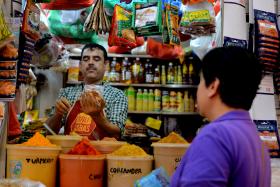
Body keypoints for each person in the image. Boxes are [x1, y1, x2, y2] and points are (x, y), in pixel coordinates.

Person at [171, 47, 271, 187]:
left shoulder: (215, 136)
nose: (198, 88)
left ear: (213, 86)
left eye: (200, 80)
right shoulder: (256, 141)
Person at [47, 43, 128, 140]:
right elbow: (49, 131)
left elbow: (118, 132)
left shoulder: (117, 95)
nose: (90, 62)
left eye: (96, 59)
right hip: (71, 152)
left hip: (102, 153)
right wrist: (57, 114)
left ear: (106, 65)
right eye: (86, 59)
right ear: (80, 65)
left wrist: (98, 117)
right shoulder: (66, 93)